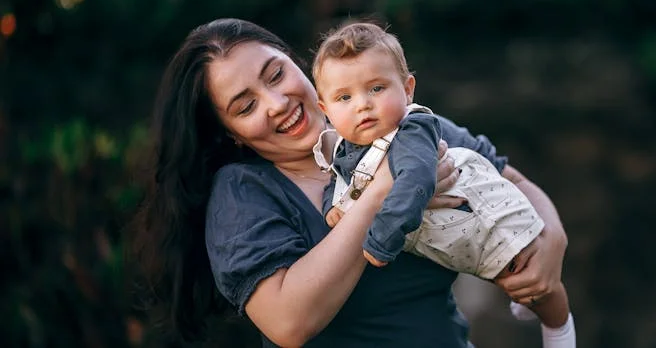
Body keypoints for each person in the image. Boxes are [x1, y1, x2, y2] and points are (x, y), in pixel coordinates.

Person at [128, 18, 569, 347]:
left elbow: (512, 179)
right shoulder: (243, 191)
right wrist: (379, 193)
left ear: (299, 66)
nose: (278, 103)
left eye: (276, 74)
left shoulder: (400, 126)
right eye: (246, 106)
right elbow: (288, 323)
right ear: (230, 133)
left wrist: (552, 240)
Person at [311, 21, 576, 348]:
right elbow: (336, 183)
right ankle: (527, 304)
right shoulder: (342, 149)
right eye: (344, 97)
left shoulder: (413, 131)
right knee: (511, 281)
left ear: (407, 90)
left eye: (377, 88)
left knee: (530, 276)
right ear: (326, 109)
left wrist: (381, 241)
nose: (362, 104)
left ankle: (559, 329)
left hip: (483, 220)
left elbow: (415, 183)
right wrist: (332, 210)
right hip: (447, 245)